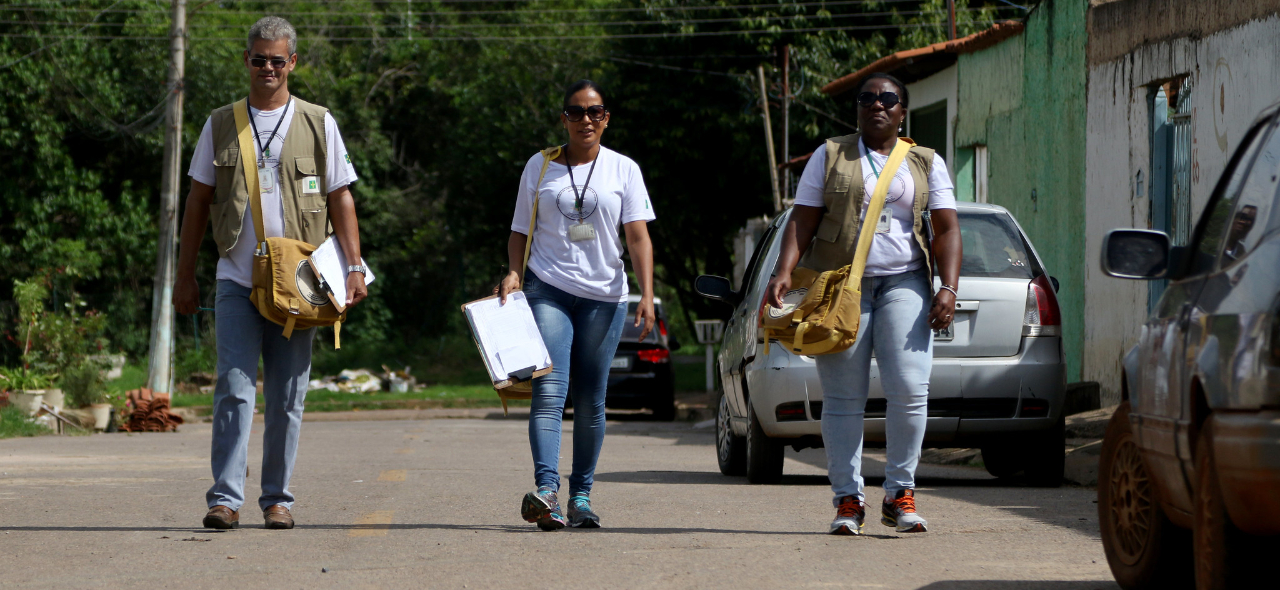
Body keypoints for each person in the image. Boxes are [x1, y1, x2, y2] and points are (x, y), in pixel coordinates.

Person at [173, 16, 366, 530]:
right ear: (246, 60)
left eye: (277, 61)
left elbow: (341, 196)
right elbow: (197, 200)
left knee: (286, 397)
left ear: (292, 63)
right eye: (259, 59)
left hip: (301, 287)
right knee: (234, 390)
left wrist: (354, 267)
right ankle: (225, 500)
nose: (268, 68)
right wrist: (185, 274)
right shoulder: (220, 123)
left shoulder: (319, 122)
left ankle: (277, 500)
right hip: (237, 280)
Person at [763, 73, 962, 536]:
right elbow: (804, 218)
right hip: (840, 288)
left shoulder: (925, 161)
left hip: (904, 282)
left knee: (910, 389)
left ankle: (899, 493)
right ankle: (848, 500)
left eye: (888, 98)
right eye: (867, 98)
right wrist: (783, 271)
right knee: (843, 398)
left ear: (902, 111)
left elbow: (948, 228)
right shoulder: (830, 154)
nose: (878, 105)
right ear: (857, 108)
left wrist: (949, 287)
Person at [496, 79, 657, 530]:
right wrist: (514, 272)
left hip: (605, 298)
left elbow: (638, 237)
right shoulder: (540, 165)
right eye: (576, 112)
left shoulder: (624, 169)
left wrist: (646, 293)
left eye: (594, 112)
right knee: (550, 390)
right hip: (548, 289)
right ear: (563, 118)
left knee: (590, 400)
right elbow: (519, 231)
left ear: (606, 118)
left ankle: (580, 497)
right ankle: (546, 492)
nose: (585, 119)